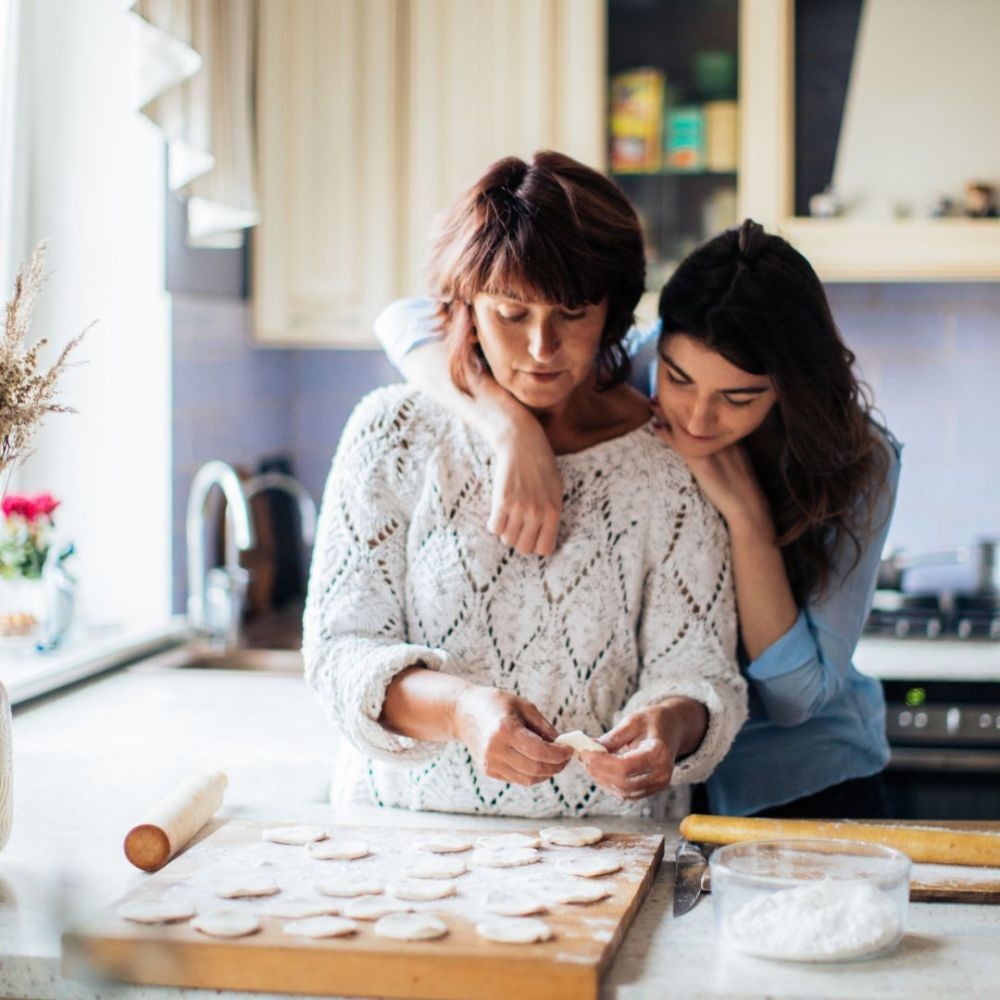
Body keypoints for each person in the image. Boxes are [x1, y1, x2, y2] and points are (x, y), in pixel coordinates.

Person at [375, 218, 900, 820]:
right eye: (678, 379)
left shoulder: (861, 461)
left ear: (787, 388)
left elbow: (795, 698)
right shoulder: (631, 365)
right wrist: (509, 429)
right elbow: (406, 320)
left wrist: (746, 518)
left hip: (799, 780)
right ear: (659, 343)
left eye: (739, 398)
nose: (699, 417)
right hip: (659, 792)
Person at [303, 151, 747, 819]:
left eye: (572, 313)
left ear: (613, 311)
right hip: (404, 845)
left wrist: (669, 726)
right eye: (512, 313)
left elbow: (703, 672)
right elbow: (340, 653)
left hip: (611, 849)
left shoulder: (667, 462)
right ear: (465, 307)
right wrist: (460, 711)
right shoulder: (393, 434)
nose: (543, 348)